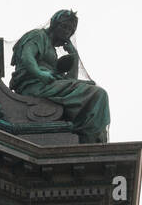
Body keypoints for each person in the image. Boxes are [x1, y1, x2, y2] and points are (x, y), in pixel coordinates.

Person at [10, 10, 109, 143]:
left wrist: (74, 56)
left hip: (49, 85)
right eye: (64, 26)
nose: (67, 31)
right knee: (98, 94)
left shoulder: (53, 50)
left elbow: (71, 80)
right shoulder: (38, 35)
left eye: (70, 29)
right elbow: (27, 57)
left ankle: (89, 135)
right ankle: (87, 136)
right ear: (54, 24)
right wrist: (40, 74)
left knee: (94, 90)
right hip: (35, 85)